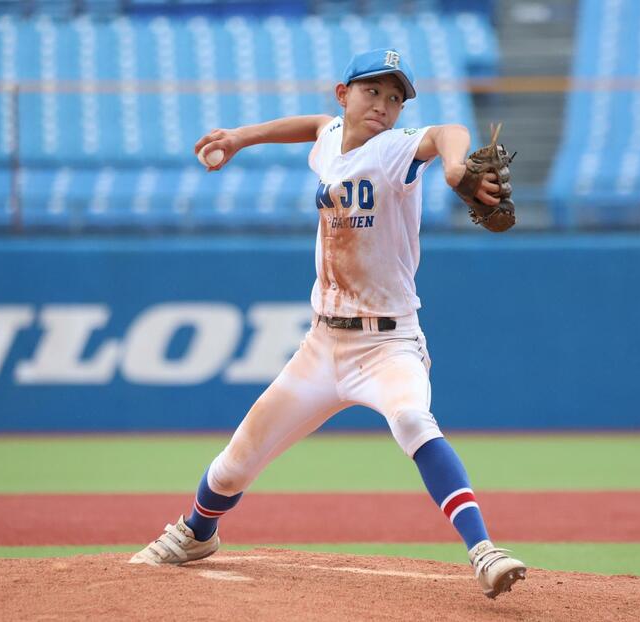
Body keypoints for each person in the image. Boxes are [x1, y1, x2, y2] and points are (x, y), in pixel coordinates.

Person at [130, 47, 526, 599]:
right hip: (322, 345)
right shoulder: (331, 139)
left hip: (390, 345)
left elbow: (448, 132)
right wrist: (241, 137)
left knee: (413, 418)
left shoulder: (394, 151)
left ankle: (484, 551)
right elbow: (313, 126)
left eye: (395, 97)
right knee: (235, 461)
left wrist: (457, 168)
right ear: (344, 95)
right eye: (372, 91)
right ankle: (197, 532)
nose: (384, 105)